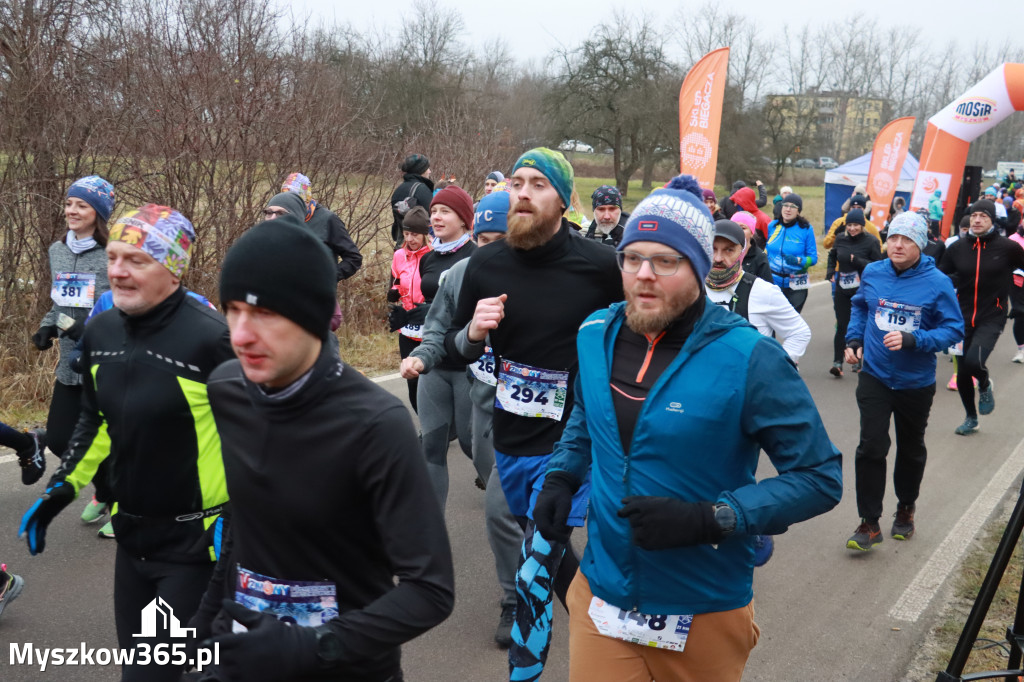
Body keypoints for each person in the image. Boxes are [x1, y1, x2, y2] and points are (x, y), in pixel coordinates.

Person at [532, 174, 842, 681]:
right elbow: (590, 417)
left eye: (666, 261)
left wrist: (711, 518)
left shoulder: (749, 358)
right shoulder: (594, 333)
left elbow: (819, 478)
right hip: (603, 590)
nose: (644, 275)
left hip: (702, 606)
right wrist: (562, 477)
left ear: (699, 268)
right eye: (632, 258)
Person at [185, 220, 454, 682]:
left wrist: (314, 646)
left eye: (264, 313)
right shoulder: (227, 390)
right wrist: (200, 637)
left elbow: (429, 590)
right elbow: (242, 530)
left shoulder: (376, 424)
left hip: (348, 668)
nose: (241, 335)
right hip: (250, 657)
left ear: (311, 314)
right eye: (232, 311)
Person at [19, 204, 234, 682]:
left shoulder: (212, 341)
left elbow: (261, 443)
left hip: (198, 547)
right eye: (114, 257)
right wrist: (61, 489)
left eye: (136, 260)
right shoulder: (101, 332)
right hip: (133, 540)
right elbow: (94, 422)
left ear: (173, 267)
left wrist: (246, 528)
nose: (117, 271)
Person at [444, 147, 622, 680]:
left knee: (538, 556)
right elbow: (456, 348)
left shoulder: (598, 266)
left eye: (538, 184)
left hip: (571, 439)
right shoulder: (484, 264)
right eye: (518, 182)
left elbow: (638, 336)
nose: (522, 192)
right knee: (539, 545)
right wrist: (474, 332)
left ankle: (532, 667)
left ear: (563, 203)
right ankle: (612, 629)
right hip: (512, 435)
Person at [400, 189, 524, 648]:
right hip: (454, 376)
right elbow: (435, 326)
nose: (492, 248)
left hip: (513, 401)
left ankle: (533, 567)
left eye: (502, 239)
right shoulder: (459, 272)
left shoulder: (540, 277)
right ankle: (425, 558)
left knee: (488, 471)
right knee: (431, 447)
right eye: (485, 237)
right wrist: (423, 357)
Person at [844, 213, 963, 550]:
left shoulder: (937, 282)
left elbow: (954, 328)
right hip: (875, 376)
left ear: (919, 244)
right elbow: (861, 307)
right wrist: (854, 341)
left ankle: (906, 509)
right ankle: (869, 523)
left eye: (907, 239)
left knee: (910, 450)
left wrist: (916, 340)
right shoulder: (874, 272)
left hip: (915, 382)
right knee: (871, 446)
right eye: (894, 237)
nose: (898, 244)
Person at [32, 175, 115, 527]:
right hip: (70, 361)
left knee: (112, 435)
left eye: (81, 205)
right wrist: (46, 325)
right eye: (69, 203)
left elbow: (119, 308)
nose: (72, 210)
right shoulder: (58, 250)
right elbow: (60, 300)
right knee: (60, 437)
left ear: (98, 212)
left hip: (104, 359)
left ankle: (124, 502)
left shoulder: (111, 255)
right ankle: (106, 490)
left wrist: (92, 332)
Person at [403, 184, 478, 507]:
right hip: (434, 362)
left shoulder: (478, 256)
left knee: (471, 446)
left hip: (468, 365)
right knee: (431, 447)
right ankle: (430, 532)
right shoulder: (429, 258)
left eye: (444, 211)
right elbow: (432, 304)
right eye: (433, 211)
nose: (436, 216)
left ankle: (510, 504)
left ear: (464, 219)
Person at [939, 199, 1024, 434]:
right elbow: (940, 277)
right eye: (973, 215)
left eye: (983, 216)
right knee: (963, 372)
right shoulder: (957, 248)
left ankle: (985, 383)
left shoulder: (1008, 248)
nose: (977, 220)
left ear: (992, 220)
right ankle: (971, 418)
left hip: (992, 315)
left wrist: (1020, 302)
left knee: (974, 362)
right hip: (961, 316)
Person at [705, 219, 811, 363]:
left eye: (729, 250)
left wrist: (774, 366)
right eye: (713, 249)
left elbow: (799, 333)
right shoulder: (691, 288)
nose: (718, 258)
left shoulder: (763, 291)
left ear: (742, 252)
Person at [827, 208, 882, 377]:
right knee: (842, 325)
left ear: (862, 225)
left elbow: (878, 265)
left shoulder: (871, 241)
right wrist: (830, 271)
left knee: (860, 325)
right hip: (843, 288)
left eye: (856, 225)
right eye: (849, 225)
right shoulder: (841, 239)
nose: (852, 228)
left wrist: (857, 261)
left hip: (863, 289)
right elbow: (832, 255)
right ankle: (837, 362)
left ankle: (857, 359)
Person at [279, 172, 363, 280]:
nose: (289, 203)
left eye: (295, 198)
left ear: (306, 198)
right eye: (285, 197)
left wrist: (326, 278)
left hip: (315, 294)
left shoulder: (328, 220)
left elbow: (354, 258)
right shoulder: (279, 216)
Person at [388, 206, 432, 411]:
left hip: (429, 326)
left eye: (415, 234)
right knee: (411, 380)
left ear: (425, 234)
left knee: (430, 380)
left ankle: (441, 424)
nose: (410, 239)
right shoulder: (399, 255)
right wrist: (394, 291)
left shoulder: (433, 255)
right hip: (407, 328)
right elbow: (397, 280)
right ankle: (424, 422)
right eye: (406, 234)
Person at [765, 193, 818, 313]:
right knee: (770, 321)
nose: (788, 209)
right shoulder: (773, 226)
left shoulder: (806, 229)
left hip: (797, 281)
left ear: (798, 211)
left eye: (793, 206)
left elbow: (813, 258)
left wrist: (799, 261)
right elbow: (766, 250)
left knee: (791, 322)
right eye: (786, 205)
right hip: (774, 280)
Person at [390, 153, 435, 245]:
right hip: (420, 246)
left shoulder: (398, 190)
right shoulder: (422, 190)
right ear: (421, 170)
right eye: (427, 168)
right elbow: (432, 219)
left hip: (402, 244)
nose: (429, 171)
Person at [732, 211, 773, 283]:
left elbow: (767, 287)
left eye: (743, 228)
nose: (738, 231)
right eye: (734, 227)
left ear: (752, 233)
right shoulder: (723, 252)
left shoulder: (760, 257)